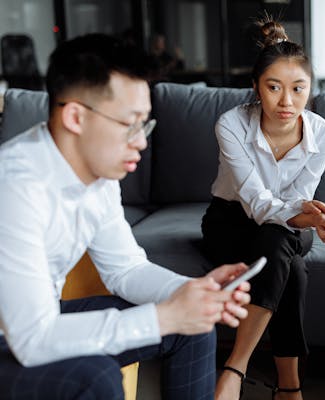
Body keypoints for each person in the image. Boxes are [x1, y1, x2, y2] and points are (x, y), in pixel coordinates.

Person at [0, 33, 251, 400]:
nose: (142, 142)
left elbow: (126, 270)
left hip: (38, 320)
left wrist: (191, 294)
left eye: (144, 125)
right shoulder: (15, 187)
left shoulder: (99, 177)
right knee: (93, 375)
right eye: (130, 124)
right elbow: (33, 340)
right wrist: (166, 315)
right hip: (18, 335)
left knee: (194, 323)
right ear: (75, 117)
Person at [201, 15, 325, 400]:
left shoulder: (323, 134)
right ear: (255, 88)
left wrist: (318, 218)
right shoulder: (231, 124)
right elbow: (256, 201)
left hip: (289, 226)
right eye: (274, 87)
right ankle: (288, 386)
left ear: (310, 88)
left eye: (298, 89)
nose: (287, 101)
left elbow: (300, 197)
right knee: (291, 267)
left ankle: (235, 369)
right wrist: (303, 217)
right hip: (231, 220)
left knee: (279, 239)